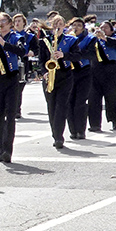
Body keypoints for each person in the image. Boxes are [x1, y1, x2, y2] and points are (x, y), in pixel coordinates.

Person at [0, 13, 25, 163]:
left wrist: (3, 44)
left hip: (11, 77)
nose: (0, 23)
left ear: (10, 24)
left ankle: (8, 149)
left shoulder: (16, 37)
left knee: (10, 114)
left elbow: (21, 51)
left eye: (3, 21)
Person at [38, 14, 81, 149]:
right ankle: (55, 133)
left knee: (61, 106)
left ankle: (59, 137)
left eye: (60, 24)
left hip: (65, 75)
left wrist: (64, 55)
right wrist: (44, 73)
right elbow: (41, 60)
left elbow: (78, 56)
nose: (57, 26)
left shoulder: (71, 40)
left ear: (64, 26)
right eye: (54, 24)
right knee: (51, 107)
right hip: (49, 76)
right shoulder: (44, 41)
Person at [88, 21, 116, 132]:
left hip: (110, 70)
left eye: (106, 28)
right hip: (95, 70)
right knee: (93, 98)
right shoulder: (93, 40)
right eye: (101, 28)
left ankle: (114, 120)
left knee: (111, 97)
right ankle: (95, 124)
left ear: (112, 30)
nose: (103, 30)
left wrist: (105, 38)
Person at [67, 17, 97, 140]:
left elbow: (91, 54)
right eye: (74, 25)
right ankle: (73, 130)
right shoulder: (67, 38)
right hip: (69, 72)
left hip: (84, 71)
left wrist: (76, 54)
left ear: (83, 27)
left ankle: (81, 130)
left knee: (80, 102)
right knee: (70, 102)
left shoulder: (90, 39)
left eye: (79, 25)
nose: (76, 27)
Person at [11, 14, 36, 119]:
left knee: (19, 88)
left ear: (24, 23)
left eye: (19, 21)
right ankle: (11, 109)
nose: (17, 23)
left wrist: (31, 52)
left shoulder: (30, 36)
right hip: (11, 63)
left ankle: (17, 110)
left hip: (23, 63)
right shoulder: (10, 35)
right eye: (15, 21)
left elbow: (36, 49)